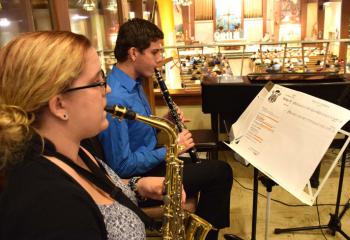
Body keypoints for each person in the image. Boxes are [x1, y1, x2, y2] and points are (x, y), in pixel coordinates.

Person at [0, 31, 170, 240]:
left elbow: (94, 187)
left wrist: (137, 185)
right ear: (59, 104)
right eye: (97, 82)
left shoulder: (76, 149)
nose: (107, 89)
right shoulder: (53, 205)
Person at [98, 18, 234, 240]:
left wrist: (164, 120)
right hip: (139, 180)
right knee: (220, 173)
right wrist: (173, 149)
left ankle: (201, 230)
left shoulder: (135, 83)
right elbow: (121, 166)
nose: (160, 59)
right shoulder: (116, 97)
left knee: (214, 169)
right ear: (134, 53)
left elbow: (137, 131)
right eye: (155, 52)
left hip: (154, 163)